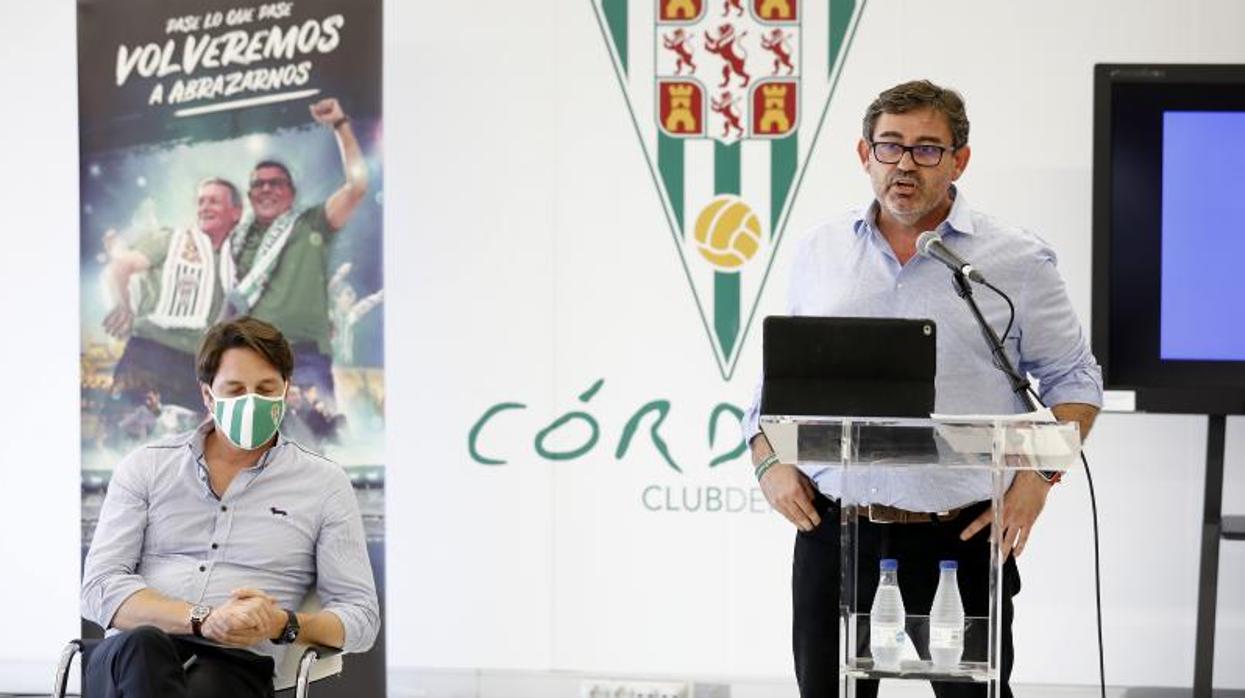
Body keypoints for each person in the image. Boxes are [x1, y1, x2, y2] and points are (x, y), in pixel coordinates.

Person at [742, 80, 1103, 698]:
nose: (905, 164)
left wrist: (1037, 481)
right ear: (865, 155)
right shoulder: (820, 251)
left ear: (960, 160)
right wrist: (769, 461)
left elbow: (1076, 380)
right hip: (837, 531)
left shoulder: (1014, 258)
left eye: (927, 149)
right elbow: (775, 387)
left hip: (957, 537)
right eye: (890, 146)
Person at [81, 316, 380, 698]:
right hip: (130, 657)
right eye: (235, 390)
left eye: (265, 388)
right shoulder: (146, 467)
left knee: (213, 681)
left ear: (286, 391)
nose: (251, 401)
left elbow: (361, 617)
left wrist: (282, 624)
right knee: (145, 648)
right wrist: (201, 619)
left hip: (233, 664)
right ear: (208, 395)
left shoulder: (324, 484)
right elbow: (98, 587)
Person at [223, 97, 369, 407]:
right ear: (249, 195)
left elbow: (357, 185)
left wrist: (340, 126)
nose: (266, 189)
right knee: (256, 450)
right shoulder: (236, 240)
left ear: (291, 193)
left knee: (319, 441)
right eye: (258, 185)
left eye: (276, 183)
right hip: (252, 358)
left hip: (305, 357)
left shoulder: (312, 223)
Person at [104, 178, 244, 411]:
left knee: (195, 443)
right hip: (150, 354)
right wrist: (123, 307)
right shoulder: (171, 240)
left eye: (214, 201)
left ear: (236, 213)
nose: (205, 207)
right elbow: (121, 267)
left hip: (198, 367)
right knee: (123, 436)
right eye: (201, 202)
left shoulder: (236, 262)